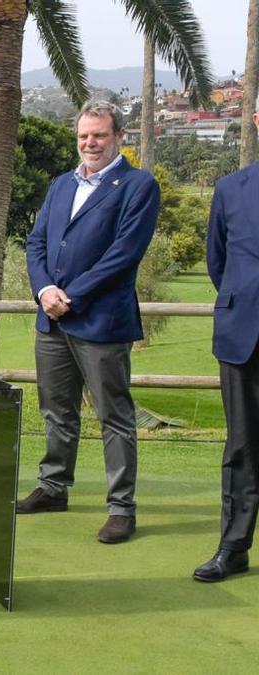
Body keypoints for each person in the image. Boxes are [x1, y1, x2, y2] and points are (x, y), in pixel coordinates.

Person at [18, 101, 159, 545]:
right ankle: (54, 487)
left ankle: (121, 508)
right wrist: (44, 292)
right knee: (56, 411)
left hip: (100, 320)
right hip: (52, 320)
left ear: (119, 137)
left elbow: (124, 254)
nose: (89, 143)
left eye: (98, 135)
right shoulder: (61, 184)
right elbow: (37, 242)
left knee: (114, 417)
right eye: (83, 136)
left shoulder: (138, 185)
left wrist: (72, 297)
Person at [193, 99, 259, 582]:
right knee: (241, 449)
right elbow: (219, 266)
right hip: (243, 338)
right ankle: (233, 548)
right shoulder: (230, 189)